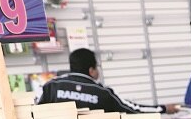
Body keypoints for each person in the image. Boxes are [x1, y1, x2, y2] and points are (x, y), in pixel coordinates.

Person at [37, 48, 179, 114]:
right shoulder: (101, 92)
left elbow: (35, 111)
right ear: (91, 70)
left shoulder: (52, 86)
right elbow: (132, 109)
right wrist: (164, 108)